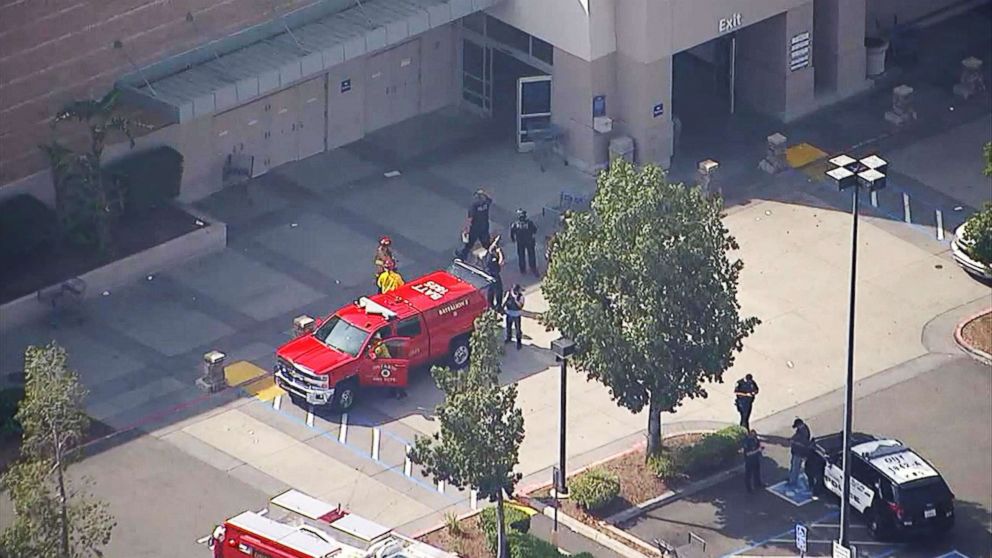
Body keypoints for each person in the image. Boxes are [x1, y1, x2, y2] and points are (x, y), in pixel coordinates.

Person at [457, 189, 493, 260]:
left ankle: (462, 256)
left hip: (475, 228)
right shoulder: (486, 203)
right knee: (486, 244)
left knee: (469, 244)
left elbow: (470, 218)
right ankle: (491, 257)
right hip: (485, 226)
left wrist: (466, 229)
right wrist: (484, 193)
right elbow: (490, 199)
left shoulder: (474, 206)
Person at [510, 209, 539, 275]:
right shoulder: (529, 223)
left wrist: (513, 239)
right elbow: (535, 230)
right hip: (529, 241)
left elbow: (512, 233)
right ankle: (533, 268)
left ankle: (522, 270)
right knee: (531, 255)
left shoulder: (515, 224)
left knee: (521, 256)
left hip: (520, 242)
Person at [789, 418, 811, 490]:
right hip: (796, 451)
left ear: (800, 425)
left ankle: (793, 482)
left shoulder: (804, 432)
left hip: (799, 452)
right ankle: (792, 479)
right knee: (793, 465)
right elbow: (796, 435)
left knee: (796, 467)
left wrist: (794, 442)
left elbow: (803, 444)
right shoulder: (801, 430)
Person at [484, 236, 505, 311]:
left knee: (491, 290)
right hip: (494, 276)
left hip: (488, 275)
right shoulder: (491, 259)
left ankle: (490, 304)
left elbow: (492, 246)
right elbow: (501, 262)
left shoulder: (489, 253)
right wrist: (500, 253)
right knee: (499, 290)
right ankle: (498, 306)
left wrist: (496, 240)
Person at [503, 284, 525, 350]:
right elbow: (504, 301)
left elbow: (521, 306)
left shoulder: (521, 296)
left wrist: (516, 300)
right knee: (508, 327)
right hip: (509, 313)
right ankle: (508, 338)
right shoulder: (508, 293)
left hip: (516, 315)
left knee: (518, 329)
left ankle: (519, 342)